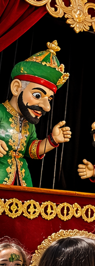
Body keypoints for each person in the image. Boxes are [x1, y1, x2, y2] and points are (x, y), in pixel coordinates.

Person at [0, 41, 73, 187]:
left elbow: (30, 149)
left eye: (49, 100)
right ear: (16, 88)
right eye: (38, 95)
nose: (47, 107)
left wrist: (52, 140)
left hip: (22, 184)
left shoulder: (28, 122)